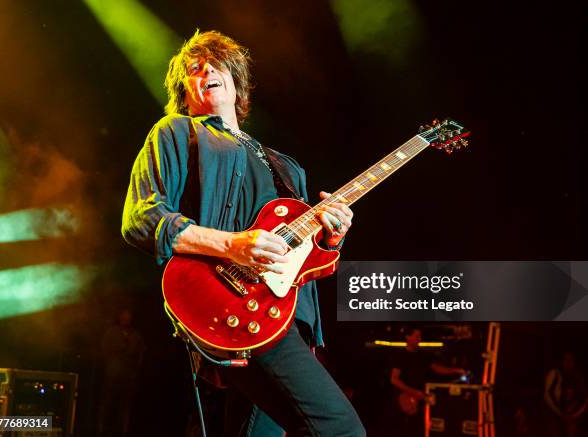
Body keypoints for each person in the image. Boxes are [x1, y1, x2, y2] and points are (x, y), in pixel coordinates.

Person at [121, 30, 365, 437]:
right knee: (341, 431)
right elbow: (142, 218)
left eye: (214, 64)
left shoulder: (287, 165)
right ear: (185, 91)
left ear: (236, 81)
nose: (205, 71)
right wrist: (234, 245)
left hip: (287, 316)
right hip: (232, 306)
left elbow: (302, 251)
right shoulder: (178, 131)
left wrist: (331, 236)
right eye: (194, 70)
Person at [389, 326, 466, 436]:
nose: (419, 339)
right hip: (405, 399)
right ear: (408, 337)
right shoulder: (400, 356)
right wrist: (412, 392)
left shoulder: (423, 355)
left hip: (420, 399)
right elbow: (394, 379)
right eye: (416, 336)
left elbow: (437, 368)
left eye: (420, 336)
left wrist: (456, 370)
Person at [97, 308, 145, 437]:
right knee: (107, 403)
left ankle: (122, 432)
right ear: (120, 317)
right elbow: (104, 349)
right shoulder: (111, 332)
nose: (126, 318)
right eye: (124, 316)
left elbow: (140, 354)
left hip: (128, 376)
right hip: (112, 373)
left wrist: (135, 371)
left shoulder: (136, 335)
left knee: (124, 406)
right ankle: (101, 430)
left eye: (128, 316)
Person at [544, 352, 588, 437]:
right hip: (556, 414)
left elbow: (585, 400)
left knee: (571, 430)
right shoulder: (555, 374)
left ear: (574, 362)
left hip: (572, 415)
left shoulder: (578, 378)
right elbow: (547, 396)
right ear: (562, 361)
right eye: (566, 360)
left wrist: (575, 415)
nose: (568, 362)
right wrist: (560, 413)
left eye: (571, 360)